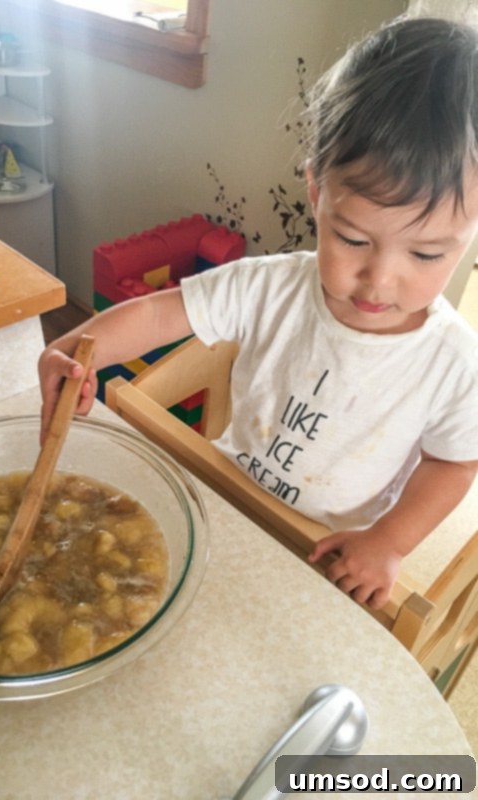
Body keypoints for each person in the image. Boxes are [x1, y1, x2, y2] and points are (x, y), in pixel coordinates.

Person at [38, 16, 478, 610]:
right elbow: (159, 316)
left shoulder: (453, 361)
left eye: (426, 253)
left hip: (329, 548)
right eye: (352, 239)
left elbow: (453, 464)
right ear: (318, 194)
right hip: (229, 496)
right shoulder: (271, 286)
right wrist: (73, 348)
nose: (380, 280)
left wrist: (389, 542)